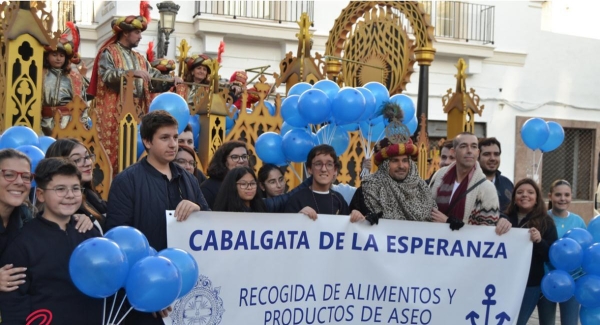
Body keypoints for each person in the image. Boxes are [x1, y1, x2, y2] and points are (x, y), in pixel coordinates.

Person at [106, 110, 209, 324]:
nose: (173, 144)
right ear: (147, 141)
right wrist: (151, 288)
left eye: (175, 137)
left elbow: (209, 225)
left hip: (187, 287)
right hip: (143, 293)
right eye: (164, 138)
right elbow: (120, 243)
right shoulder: (127, 181)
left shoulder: (188, 179)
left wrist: (197, 209)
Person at [0, 158, 103, 324]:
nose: (69, 195)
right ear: (40, 194)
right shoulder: (23, 242)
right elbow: (14, 302)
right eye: (60, 189)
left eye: (75, 188)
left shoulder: (90, 233)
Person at [88, 13, 183, 173]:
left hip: (138, 114)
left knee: (136, 153)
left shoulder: (140, 58)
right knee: (114, 154)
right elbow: (107, 76)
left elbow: (153, 79)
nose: (140, 37)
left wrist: (170, 80)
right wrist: (130, 73)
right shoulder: (109, 52)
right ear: (126, 32)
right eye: (137, 33)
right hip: (115, 114)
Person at [429, 132, 511, 234]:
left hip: (463, 248)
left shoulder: (487, 188)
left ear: (478, 152)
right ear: (453, 152)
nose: (469, 151)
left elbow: (486, 234)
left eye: (473, 147)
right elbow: (426, 209)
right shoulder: (439, 176)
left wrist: (447, 222)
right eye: (464, 146)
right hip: (433, 244)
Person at [505, 178, 558, 325]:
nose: (524, 195)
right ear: (514, 198)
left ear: (536, 199)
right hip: (505, 281)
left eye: (530, 192)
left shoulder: (546, 222)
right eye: (520, 192)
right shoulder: (505, 218)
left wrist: (540, 242)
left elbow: (550, 256)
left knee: (517, 321)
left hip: (530, 284)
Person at [349, 138, 436, 224]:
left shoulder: (423, 190)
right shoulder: (367, 191)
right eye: (395, 161)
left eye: (405, 160)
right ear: (384, 165)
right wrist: (356, 215)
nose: (401, 166)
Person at [537, 179, 586, 325]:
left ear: (571, 196)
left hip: (573, 281)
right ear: (550, 196)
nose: (563, 199)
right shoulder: (542, 220)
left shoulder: (578, 222)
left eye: (567, 195)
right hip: (547, 281)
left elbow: (584, 250)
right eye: (558, 195)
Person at [45, 138, 107, 230]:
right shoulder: (65, 207)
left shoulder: (89, 195)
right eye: (77, 160)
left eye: (87, 157)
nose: (87, 163)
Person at [284, 145, 357, 220]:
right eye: (318, 164)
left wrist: (356, 217)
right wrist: (298, 217)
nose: (324, 169)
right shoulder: (296, 200)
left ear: (335, 170)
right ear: (309, 169)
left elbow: (347, 229)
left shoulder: (339, 200)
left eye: (329, 164)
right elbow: (286, 228)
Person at [41, 22, 89, 136]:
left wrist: (84, 124)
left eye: (61, 56)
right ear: (47, 56)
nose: (58, 58)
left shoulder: (74, 78)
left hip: (68, 123)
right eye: (54, 55)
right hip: (43, 123)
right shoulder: (40, 75)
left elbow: (83, 103)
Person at [201, 140, 252, 209]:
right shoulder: (208, 188)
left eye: (244, 156)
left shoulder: (252, 184)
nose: (241, 161)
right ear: (224, 161)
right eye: (235, 157)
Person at [478, 137, 514, 212]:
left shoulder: (507, 184)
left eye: (496, 154)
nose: (492, 158)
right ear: (478, 157)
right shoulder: (469, 183)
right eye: (487, 154)